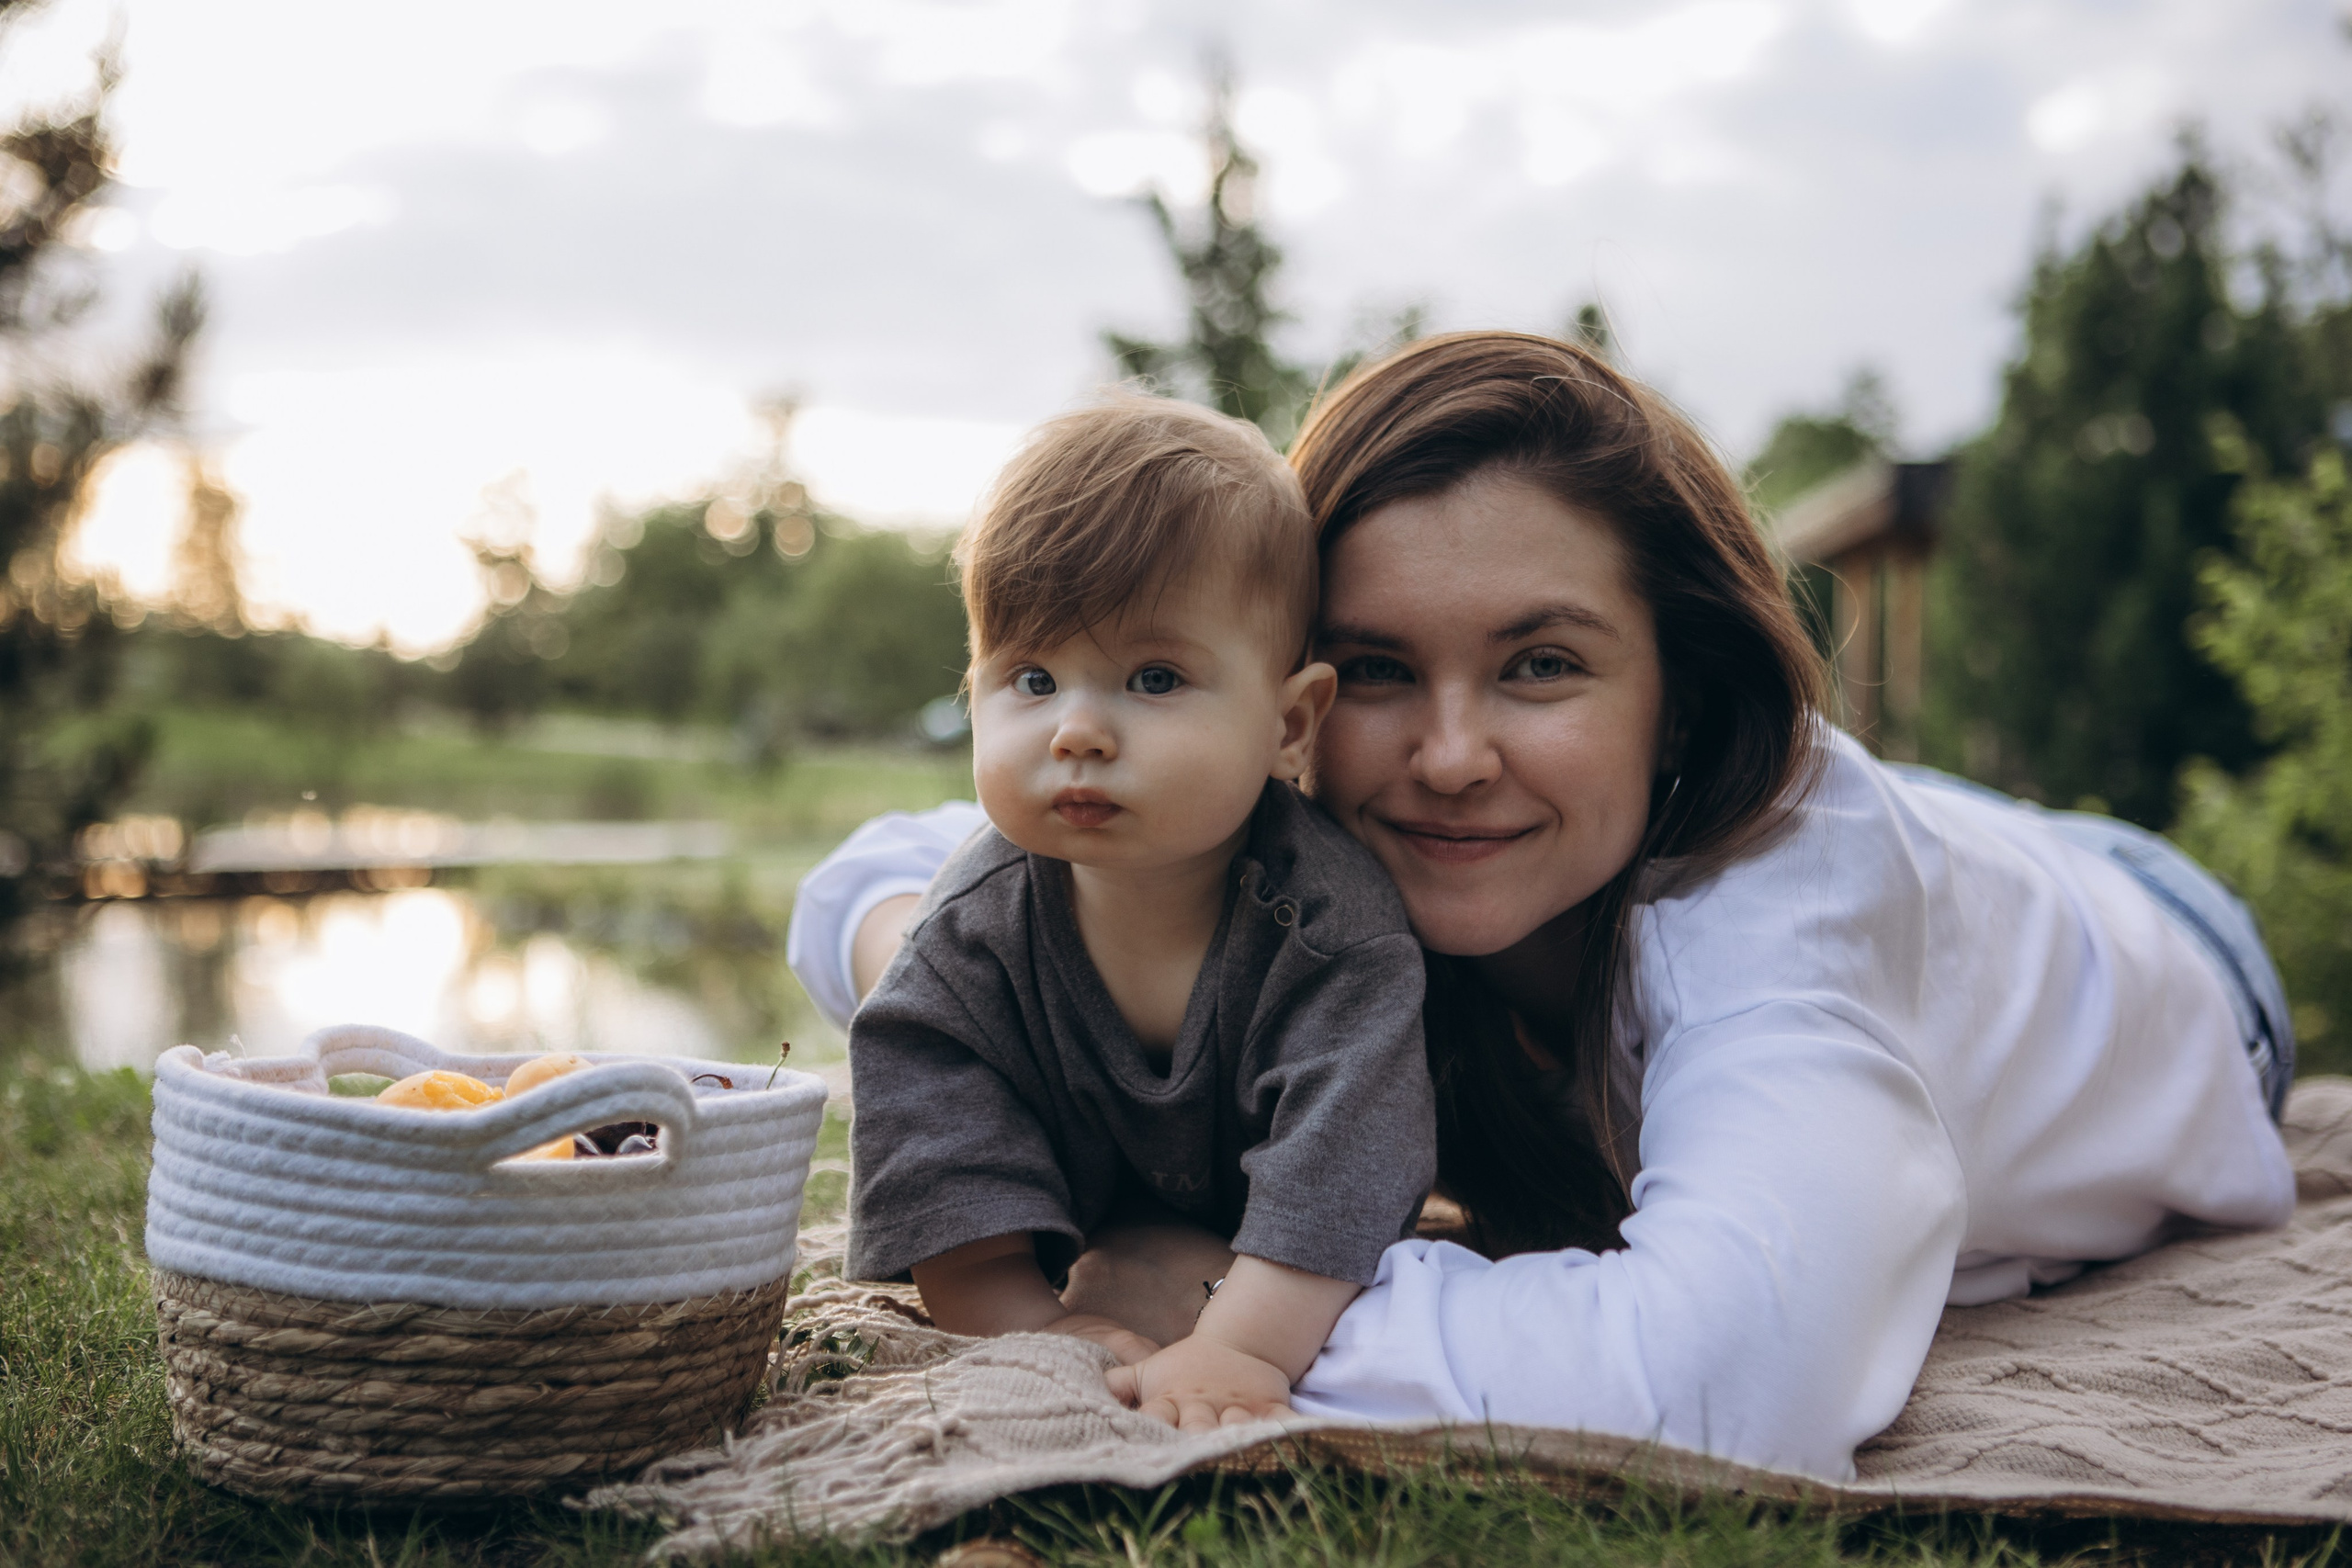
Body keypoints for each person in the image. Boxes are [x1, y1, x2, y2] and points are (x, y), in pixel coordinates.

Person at [787, 333, 2297, 1480]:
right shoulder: (1279, 801)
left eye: (1542, 663)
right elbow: (882, 874)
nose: (1447, 756)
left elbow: (1734, 1377)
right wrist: (939, 971)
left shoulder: (1769, 910)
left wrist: (1245, 1303)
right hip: (1940, 858)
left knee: (1876, 864)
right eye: (1381, 667)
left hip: (2154, 942)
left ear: (1676, 687)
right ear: (1292, 699)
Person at [842, 393, 1436, 1430]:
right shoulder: (971, 933)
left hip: (1254, 1242)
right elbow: (931, 1133)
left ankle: (1194, 1279)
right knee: (926, 1054)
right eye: (1031, 677)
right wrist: (1025, 1317)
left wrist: (1238, 1349)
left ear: (1290, 725)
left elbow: (1350, 1155)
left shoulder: (1334, 929)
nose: (1077, 729)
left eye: (1152, 678)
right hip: (1071, 1221)